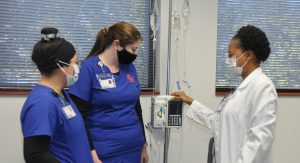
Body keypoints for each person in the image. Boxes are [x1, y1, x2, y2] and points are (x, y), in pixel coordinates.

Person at [171, 25, 277, 163]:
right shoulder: (242, 88)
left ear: (249, 55)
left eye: (231, 55)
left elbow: (261, 140)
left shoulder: (262, 87)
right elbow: (219, 122)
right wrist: (190, 101)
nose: (228, 60)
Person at [69, 22, 148, 163]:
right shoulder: (89, 68)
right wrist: (90, 152)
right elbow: (78, 115)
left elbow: (137, 109)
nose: (135, 55)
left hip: (133, 149)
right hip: (103, 152)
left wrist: (144, 145)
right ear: (117, 44)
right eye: (133, 49)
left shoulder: (129, 68)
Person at [20, 27, 93, 163]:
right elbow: (35, 155)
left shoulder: (62, 94)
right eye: (75, 63)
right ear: (61, 66)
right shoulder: (41, 103)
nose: (77, 68)